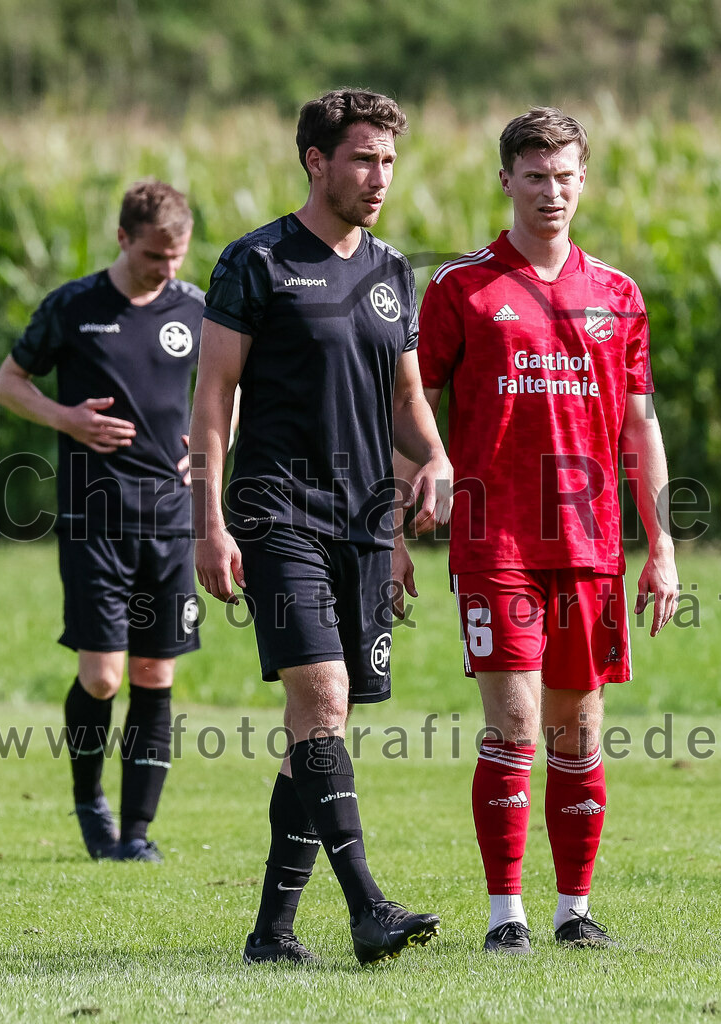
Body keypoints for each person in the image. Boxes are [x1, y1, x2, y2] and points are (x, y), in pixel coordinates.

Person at [397, 107, 679, 953]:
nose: (550, 193)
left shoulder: (618, 295)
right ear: (506, 181)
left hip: (591, 545)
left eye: (564, 177)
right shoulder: (461, 287)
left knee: (578, 731)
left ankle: (574, 910)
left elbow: (640, 428)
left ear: (583, 181)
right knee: (514, 727)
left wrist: (660, 544)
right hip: (497, 543)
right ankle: (504, 916)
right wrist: (397, 518)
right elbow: (410, 409)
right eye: (534, 176)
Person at [190, 88, 452, 966]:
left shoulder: (390, 271)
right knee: (323, 700)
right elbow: (213, 397)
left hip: (362, 523)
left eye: (388, 160)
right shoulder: (254, 261)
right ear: (316, 160)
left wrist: (436, 465)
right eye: (363, 159)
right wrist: (208, 523)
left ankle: (270, 933)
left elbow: (407, 401)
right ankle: (369, 907)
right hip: (275, 513)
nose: (380, 177)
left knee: (321, 732)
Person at [0, 180, 204, 863]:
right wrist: (67, 419)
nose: (166, 269)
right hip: (96, 519)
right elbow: (9, 382)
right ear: (122, 239)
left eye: (176, 256)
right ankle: (90, 800)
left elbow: (235, 385)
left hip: (172, 520)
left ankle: (137, 834)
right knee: (103, 677)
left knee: (154, 672)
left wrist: (209, 446)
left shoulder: (196, 308)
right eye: (152, 256)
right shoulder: (75, 308)